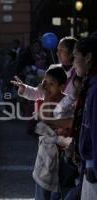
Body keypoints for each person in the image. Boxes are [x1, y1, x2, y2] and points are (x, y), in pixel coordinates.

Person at [13, 66, 71, 200]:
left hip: (62, 154)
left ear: (62, 86)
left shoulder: (66, 101)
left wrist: (45, 96)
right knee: (42, 187)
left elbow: (47, 117)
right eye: (45, 82)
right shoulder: (45, 94)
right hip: (45, 153)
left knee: (58, 190)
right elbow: (33, 93)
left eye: (52, 84)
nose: (47, 86)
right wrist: (23, 88)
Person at [72, 36, 97, 200]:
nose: (74, 62)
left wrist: (94, 166)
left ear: (88, 58)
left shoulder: (95, 89)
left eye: (75, 56)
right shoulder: (90, 83)